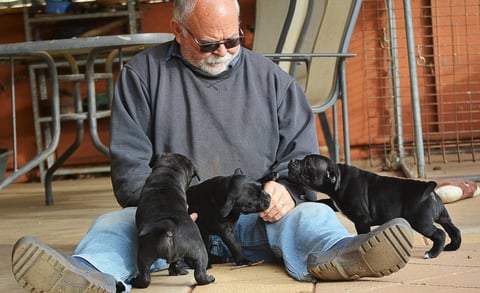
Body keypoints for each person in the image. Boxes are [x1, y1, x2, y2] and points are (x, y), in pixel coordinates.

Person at [11, 0, 414, 292]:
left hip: (258, 220)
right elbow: (130, 169)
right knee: (112, 226)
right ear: (177, 30)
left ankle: (341, 254)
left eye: (233, 40)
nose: (223, 51)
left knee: (311, 218)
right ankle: (86, 274)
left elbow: (299, 156)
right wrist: (170, 207)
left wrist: (286, 191)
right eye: (208, 44)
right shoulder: (142, 75)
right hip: (173, 225)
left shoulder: (272, 80)